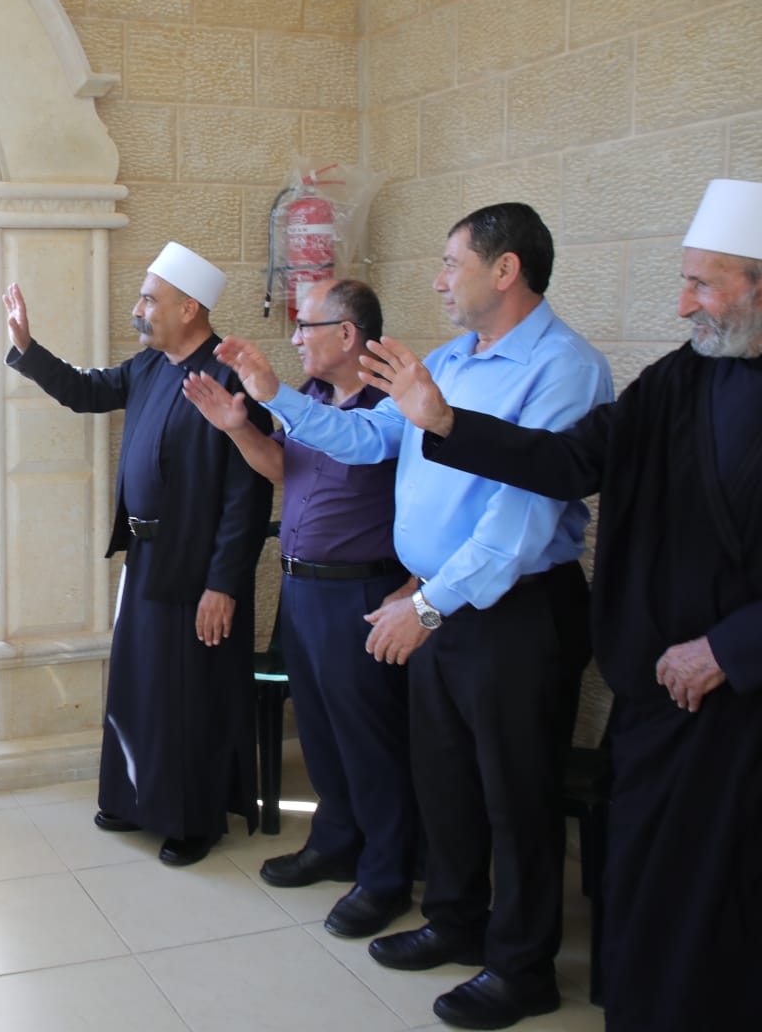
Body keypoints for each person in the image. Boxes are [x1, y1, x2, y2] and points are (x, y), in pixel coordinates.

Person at [358, 178, 762, 1031]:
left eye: (706, 283)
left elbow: (526, 520)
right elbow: (569, 462)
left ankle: (555, 974)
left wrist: (729, 647)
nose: (682, 302)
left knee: (702, 880)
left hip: (735, 682)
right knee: (648, 869)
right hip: (661, 683)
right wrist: (446, 423)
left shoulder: (570, 364)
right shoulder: (677, 381)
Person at [213, 203, 612, 1029]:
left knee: (516, 795)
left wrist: (426, 604)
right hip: (436, 604)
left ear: (504, 271)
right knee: (447, 781)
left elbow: (522, 519)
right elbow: (364, 441)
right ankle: (456, 923)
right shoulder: (449, 360)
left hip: (512, 612)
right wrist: (273, 394)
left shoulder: (565, 369)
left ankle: (521, 967)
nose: (437, 278)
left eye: (449, 261)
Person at [4, 241, 273, 867]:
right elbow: (85, 391)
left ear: (188, 308)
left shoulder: (228, 377)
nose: (139, 309)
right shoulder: (150, 366)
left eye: (149, 299)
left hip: (201, 567)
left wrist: (223, 586)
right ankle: (135, 798)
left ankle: (191, 819)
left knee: (191, 695)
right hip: (149, 557)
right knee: (142, 688)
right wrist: (27, 347)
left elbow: (246, 496)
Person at [183, 278, 416, 937]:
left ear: (346, 335)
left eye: (305, 327)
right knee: (319, 729)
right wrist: (237, 429)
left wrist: (267, 394)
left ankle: (386, 874)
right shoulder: (313, 397)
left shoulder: (389, 406)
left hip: (362, 590)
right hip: (304, 587)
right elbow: (287, 470)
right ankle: (335, 839)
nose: (294, 339)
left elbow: (351, 444)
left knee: (368, 738)